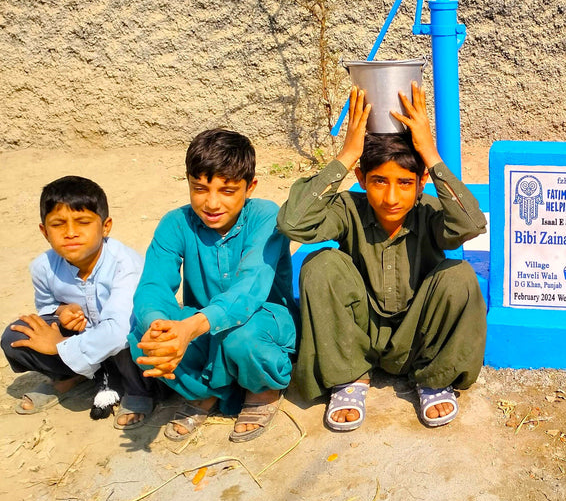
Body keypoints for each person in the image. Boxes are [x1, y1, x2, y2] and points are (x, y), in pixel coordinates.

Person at [277, 83, 487, 431]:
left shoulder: (429, 211)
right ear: (361, 178)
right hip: (359, 334)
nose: (391, 197)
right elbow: (293, 222)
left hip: (418, 335)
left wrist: (431, 154)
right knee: (321, 264)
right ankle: (349, 377)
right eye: (378, 182)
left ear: (421, 183)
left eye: (405, 183)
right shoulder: (347, 209)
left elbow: (471, 222)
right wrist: (345, 157)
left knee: (460, 275)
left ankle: (433, 378)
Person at [129, 129, 296, 442]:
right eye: (200, 189)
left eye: (228, 190)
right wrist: (159, 329)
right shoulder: (175, 223)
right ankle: (204, 391)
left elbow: (249, 290)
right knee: (143, 330)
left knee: (241, 336)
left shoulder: (265, 216)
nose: (211, 202)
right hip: (204, 325)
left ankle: (263, 390)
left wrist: (189, 329)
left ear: (250, 187)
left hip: (264, 323)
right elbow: (153, 285)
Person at [1, 176, 156, 429]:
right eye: (58, 224)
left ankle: (138, 390)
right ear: (44, 231)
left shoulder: (126, 265)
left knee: (129, 334)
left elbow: (118, 331)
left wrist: (61, 345)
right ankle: (69, 375)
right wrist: (61, 311)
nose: (71, 233)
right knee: (15, 335)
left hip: (123, 342)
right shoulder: (43, 267)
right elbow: (46, 308)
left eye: (83, 222)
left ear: (105, 226)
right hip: (84, 338)